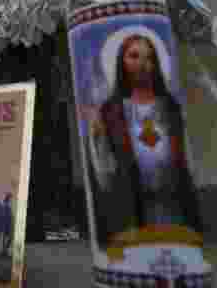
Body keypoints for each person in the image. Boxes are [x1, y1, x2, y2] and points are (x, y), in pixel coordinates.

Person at [86, 33, 203, 249]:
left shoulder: (169, 105)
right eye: (134, 56)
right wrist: (96, 133)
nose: (142, 64)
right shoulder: (111, 109)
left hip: (171, 198)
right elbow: (103, 160)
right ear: (121, 61)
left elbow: (185, 150)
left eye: (148, 58)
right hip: (131, 199)